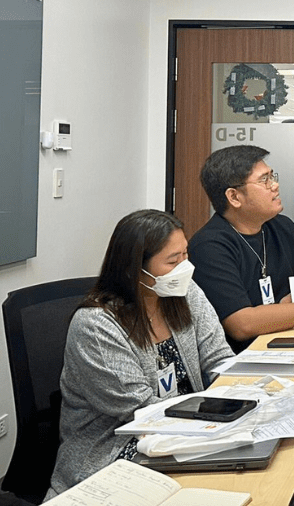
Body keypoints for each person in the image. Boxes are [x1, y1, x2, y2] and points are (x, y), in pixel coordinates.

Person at [46, 210, 235, 498]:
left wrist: (242, 395)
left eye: (185, 254)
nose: (185, 268)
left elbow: (218, 357)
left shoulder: (184, 291)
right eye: (173, 261)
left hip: (187, 435)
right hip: (118, 451)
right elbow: (144, 411)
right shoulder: (96, 325)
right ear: (136, 269)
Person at [188, 145, 294, 353]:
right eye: (264, 180)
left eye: (272, 176)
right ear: (234, 197)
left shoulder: (282, 227)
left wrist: (274, 312)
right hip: (246, 359)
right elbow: (242, 324)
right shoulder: (209, 247)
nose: (275, 185)